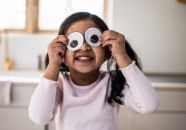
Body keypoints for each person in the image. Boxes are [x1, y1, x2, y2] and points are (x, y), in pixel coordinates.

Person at [28, 12, 159, 130]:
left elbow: (149, 105)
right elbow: (39, 117)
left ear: (107, 51)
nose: (84, 47)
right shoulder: (59, 85)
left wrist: (122, 56)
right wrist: (53, 64)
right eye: (75, 42)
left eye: (94, 39)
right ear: (62, 52)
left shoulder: (112, 82)